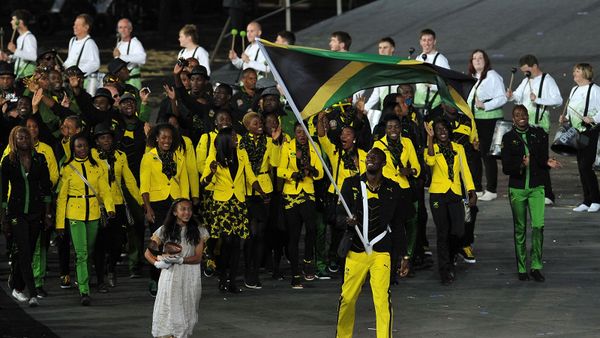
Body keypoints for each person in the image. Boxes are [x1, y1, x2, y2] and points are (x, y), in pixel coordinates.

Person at [335, 148, 402, 338]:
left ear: (383, 163)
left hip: (381, 251)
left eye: (375, 157)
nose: (370, 159)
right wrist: (346, 221)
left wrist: (403, 255)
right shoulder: (351, 184)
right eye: (368, 157)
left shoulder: (393, 188)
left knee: (382, 300)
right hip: (355, 250)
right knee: (347, 299)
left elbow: (398, 224)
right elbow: (336, 215)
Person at [201, 127, 266, 293]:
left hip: (238, 202)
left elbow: (250, 176)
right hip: (222, 204)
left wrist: (262, 191)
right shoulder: (214, 157)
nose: (236, 138)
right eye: (233, 136)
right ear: (225, 139)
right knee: (227, 241)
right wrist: (211, 173)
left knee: (237, 243)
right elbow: (204, 182)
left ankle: (232, 281)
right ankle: (222, 277)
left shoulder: (242, 154)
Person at [501, 105, 561, 282]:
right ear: (513, 118)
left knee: (538, 226)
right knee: (520, 229)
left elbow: (541, 159)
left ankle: (536, 266)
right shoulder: (508, 137)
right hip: (518, 189)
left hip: (536, 188)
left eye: (524, 114)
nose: (522, 117)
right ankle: (521, 267)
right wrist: (521, 165)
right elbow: (506, 167)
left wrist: (548, 162)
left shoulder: (538, 134)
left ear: (528, 116)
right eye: (518, 115)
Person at [56, 133, 116, 305]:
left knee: (88, 252)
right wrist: (60, 224)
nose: (82, 149)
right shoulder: (67, 168)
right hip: (74, 213)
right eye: (78, 146)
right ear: (73, 148)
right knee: (81, 253)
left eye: (84, 146)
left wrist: (110, 208)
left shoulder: (96, 166)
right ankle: (84, 290)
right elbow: (61, 198)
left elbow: (104, 189)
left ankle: (82, 278)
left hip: (94, 213)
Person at [2, 126, 53, 307]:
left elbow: (46, 187)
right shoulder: (8, 162)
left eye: (25, 137)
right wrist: (4, 217)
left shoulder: (39, 159)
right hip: (16, 212)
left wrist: (47, 213)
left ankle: (15, 283)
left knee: (29, 251)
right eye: (19, 138)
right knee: (24, 250)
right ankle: (32, 293)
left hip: (35, 210)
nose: (23, 140)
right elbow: (2, 191)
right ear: (14, 141)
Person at [145, 198, 208, 338]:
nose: (187, 212)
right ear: (175, 212)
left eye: (189, 209)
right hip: (170, 276)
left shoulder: (198, 231)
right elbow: (148, 253)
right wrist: (156, 263)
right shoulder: (164, 230)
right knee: (169, 308)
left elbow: (197, 257)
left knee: (187, 309)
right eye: (183, 209)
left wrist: (180, 259)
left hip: (190, 275)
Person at [424, 118, 477, 285]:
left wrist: (471, 190)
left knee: (458, 231)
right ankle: (445, 270)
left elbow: (465, 171)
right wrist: (430, 139)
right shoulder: (432, 149)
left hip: (454, 192)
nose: (442, 132)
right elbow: (430, 161)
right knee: (442, 232)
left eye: (444, 129)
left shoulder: (458, 148)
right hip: (438, 193)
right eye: (438, 130)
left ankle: (453, 255)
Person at [91, 122, 142, 291]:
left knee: (118, 241)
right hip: (99, 205)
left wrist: (140, 202)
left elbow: (129, 180)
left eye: (108, 137)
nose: (106, 140)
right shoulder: (91, 155)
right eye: (102, 138)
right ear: (97, 141)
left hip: (118, 203)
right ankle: (100, 277)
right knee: (100, 242)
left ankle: (110, 266)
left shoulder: (120, 155)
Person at [140, 123, 190, 296]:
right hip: (157, 204)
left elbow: (184, 182)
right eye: (163, 137)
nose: (166, 141)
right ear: (156, 138)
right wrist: (147, 208)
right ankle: (154, 278)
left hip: (175, 203)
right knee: (157, 242)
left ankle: (170, 279)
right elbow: (144, 186)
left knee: (175, 242)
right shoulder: (148, 157)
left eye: (169, 137)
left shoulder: (179, 157)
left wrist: (185, 208)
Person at [507, 54, 562, 205]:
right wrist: (511, 96)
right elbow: (518, 97)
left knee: (542, 160)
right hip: (524, 126)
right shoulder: (526, 81)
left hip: (539, 126)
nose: (525, 74)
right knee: (527, 160)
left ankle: (548, 195)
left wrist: (538, 100)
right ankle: (531, 192)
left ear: (534, 67)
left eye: (527, 71)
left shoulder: (547, 80)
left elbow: (558, 100)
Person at [317, 111, 367, 274]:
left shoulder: (363, 156)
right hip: (337, 198)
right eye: (342, 133)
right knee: (338, 230)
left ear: (354, 138)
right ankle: (334, 259)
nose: (343, 136)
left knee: (355, 229)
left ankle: (353, 259)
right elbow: (322, 137)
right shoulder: (335, 152)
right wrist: (319, 119)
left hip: (356, 199)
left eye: (348, 133)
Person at [372, 115, 420, 281]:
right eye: (390, 127)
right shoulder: (378, 144)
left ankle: (404, 262)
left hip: (404, 189)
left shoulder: (407, 143)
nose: (393, 130)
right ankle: (388, 269)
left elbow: (417, 167)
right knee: (388, 228)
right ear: (385, 129)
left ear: (400, 128)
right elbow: (374, 166)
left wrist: (410, 171)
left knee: (405, 226)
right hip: (386, 190)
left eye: (396, 127)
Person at [278, 122, 324, 288]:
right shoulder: (287, 146)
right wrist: (293, 174)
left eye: (304, 132)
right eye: (298, 132)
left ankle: (307, 261)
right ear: (295, 133)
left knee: (312, 228)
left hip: (308, 193)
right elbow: (280, 170)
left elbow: (320, 173)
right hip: (291, 193)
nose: (301, 135)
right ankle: (295, 273)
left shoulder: (314, 146)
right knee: (294, 235)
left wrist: (311, 170)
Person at [239, 112, 282, 289]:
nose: (260, 125)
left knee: (260, 234)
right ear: (247, 126)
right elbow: (246, 169)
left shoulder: (267, 140)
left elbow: (276, 162)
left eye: (260, 122)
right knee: (252, 234)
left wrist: (275, 141)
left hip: (265, 188)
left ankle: (254, 272)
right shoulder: (242, 143)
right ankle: (249, 270)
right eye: (255, 123)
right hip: (249, 191)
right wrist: (260, 191)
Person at [467, 49, 507, 201]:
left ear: (486, 60)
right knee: (474, 154)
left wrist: (485, 106)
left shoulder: (492, 76)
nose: (477, 60)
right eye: (474, 58)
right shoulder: (472, 78)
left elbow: (502, 98)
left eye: (480, 58)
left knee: (487, 154)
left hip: (489, 120)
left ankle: (491, 189)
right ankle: (476, 188)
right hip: (475, 120)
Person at [560, 63, 600, 213]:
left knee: (586, 165)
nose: (574, 74)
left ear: (585, 73)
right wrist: (566, 118)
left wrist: (593, 118)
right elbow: (573, 109)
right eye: (574, 71)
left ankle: (596, 199)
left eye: (577, 71)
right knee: (581, 166)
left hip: (590, 132)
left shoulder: (595, 90)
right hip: (577, 132)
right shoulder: (574, 89)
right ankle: (587, 200)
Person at [414, 29, 450, 115]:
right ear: (420, 42)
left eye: (429, 40)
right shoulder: (418, 59)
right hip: (418, 105)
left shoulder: (441, 59)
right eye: (424, 40)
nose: (427, 43)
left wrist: (432, 86)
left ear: (434, 42)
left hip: (435, 106)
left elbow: (448, 83)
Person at [0, 10, 37, 79]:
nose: (11, 22)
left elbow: (33, 57)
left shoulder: (29, 37)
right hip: (21, 75)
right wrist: (8, 58)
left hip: (29, 76)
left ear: (20, 22)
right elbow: (21, 56)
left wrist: (15, 50)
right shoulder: (19, 38)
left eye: (13, 20)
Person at [63, 14, 101, 78]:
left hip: (82, 80)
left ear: (86, 27)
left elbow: (95, 64)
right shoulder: (72, 41)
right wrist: (63, 66)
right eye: (74, 24)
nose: (74, 27)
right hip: (70, 78)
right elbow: (70, 60)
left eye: (77, 25)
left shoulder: (90, 43)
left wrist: (78, 72)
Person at [113, 18, 146, 90]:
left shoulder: (135, 43)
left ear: (130, 29)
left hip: (133, 81)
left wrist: (121, 56)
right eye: (120, 27)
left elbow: (142, 58)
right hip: (121, 81)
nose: (123, 30)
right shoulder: (119, 44)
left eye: (125, 27)